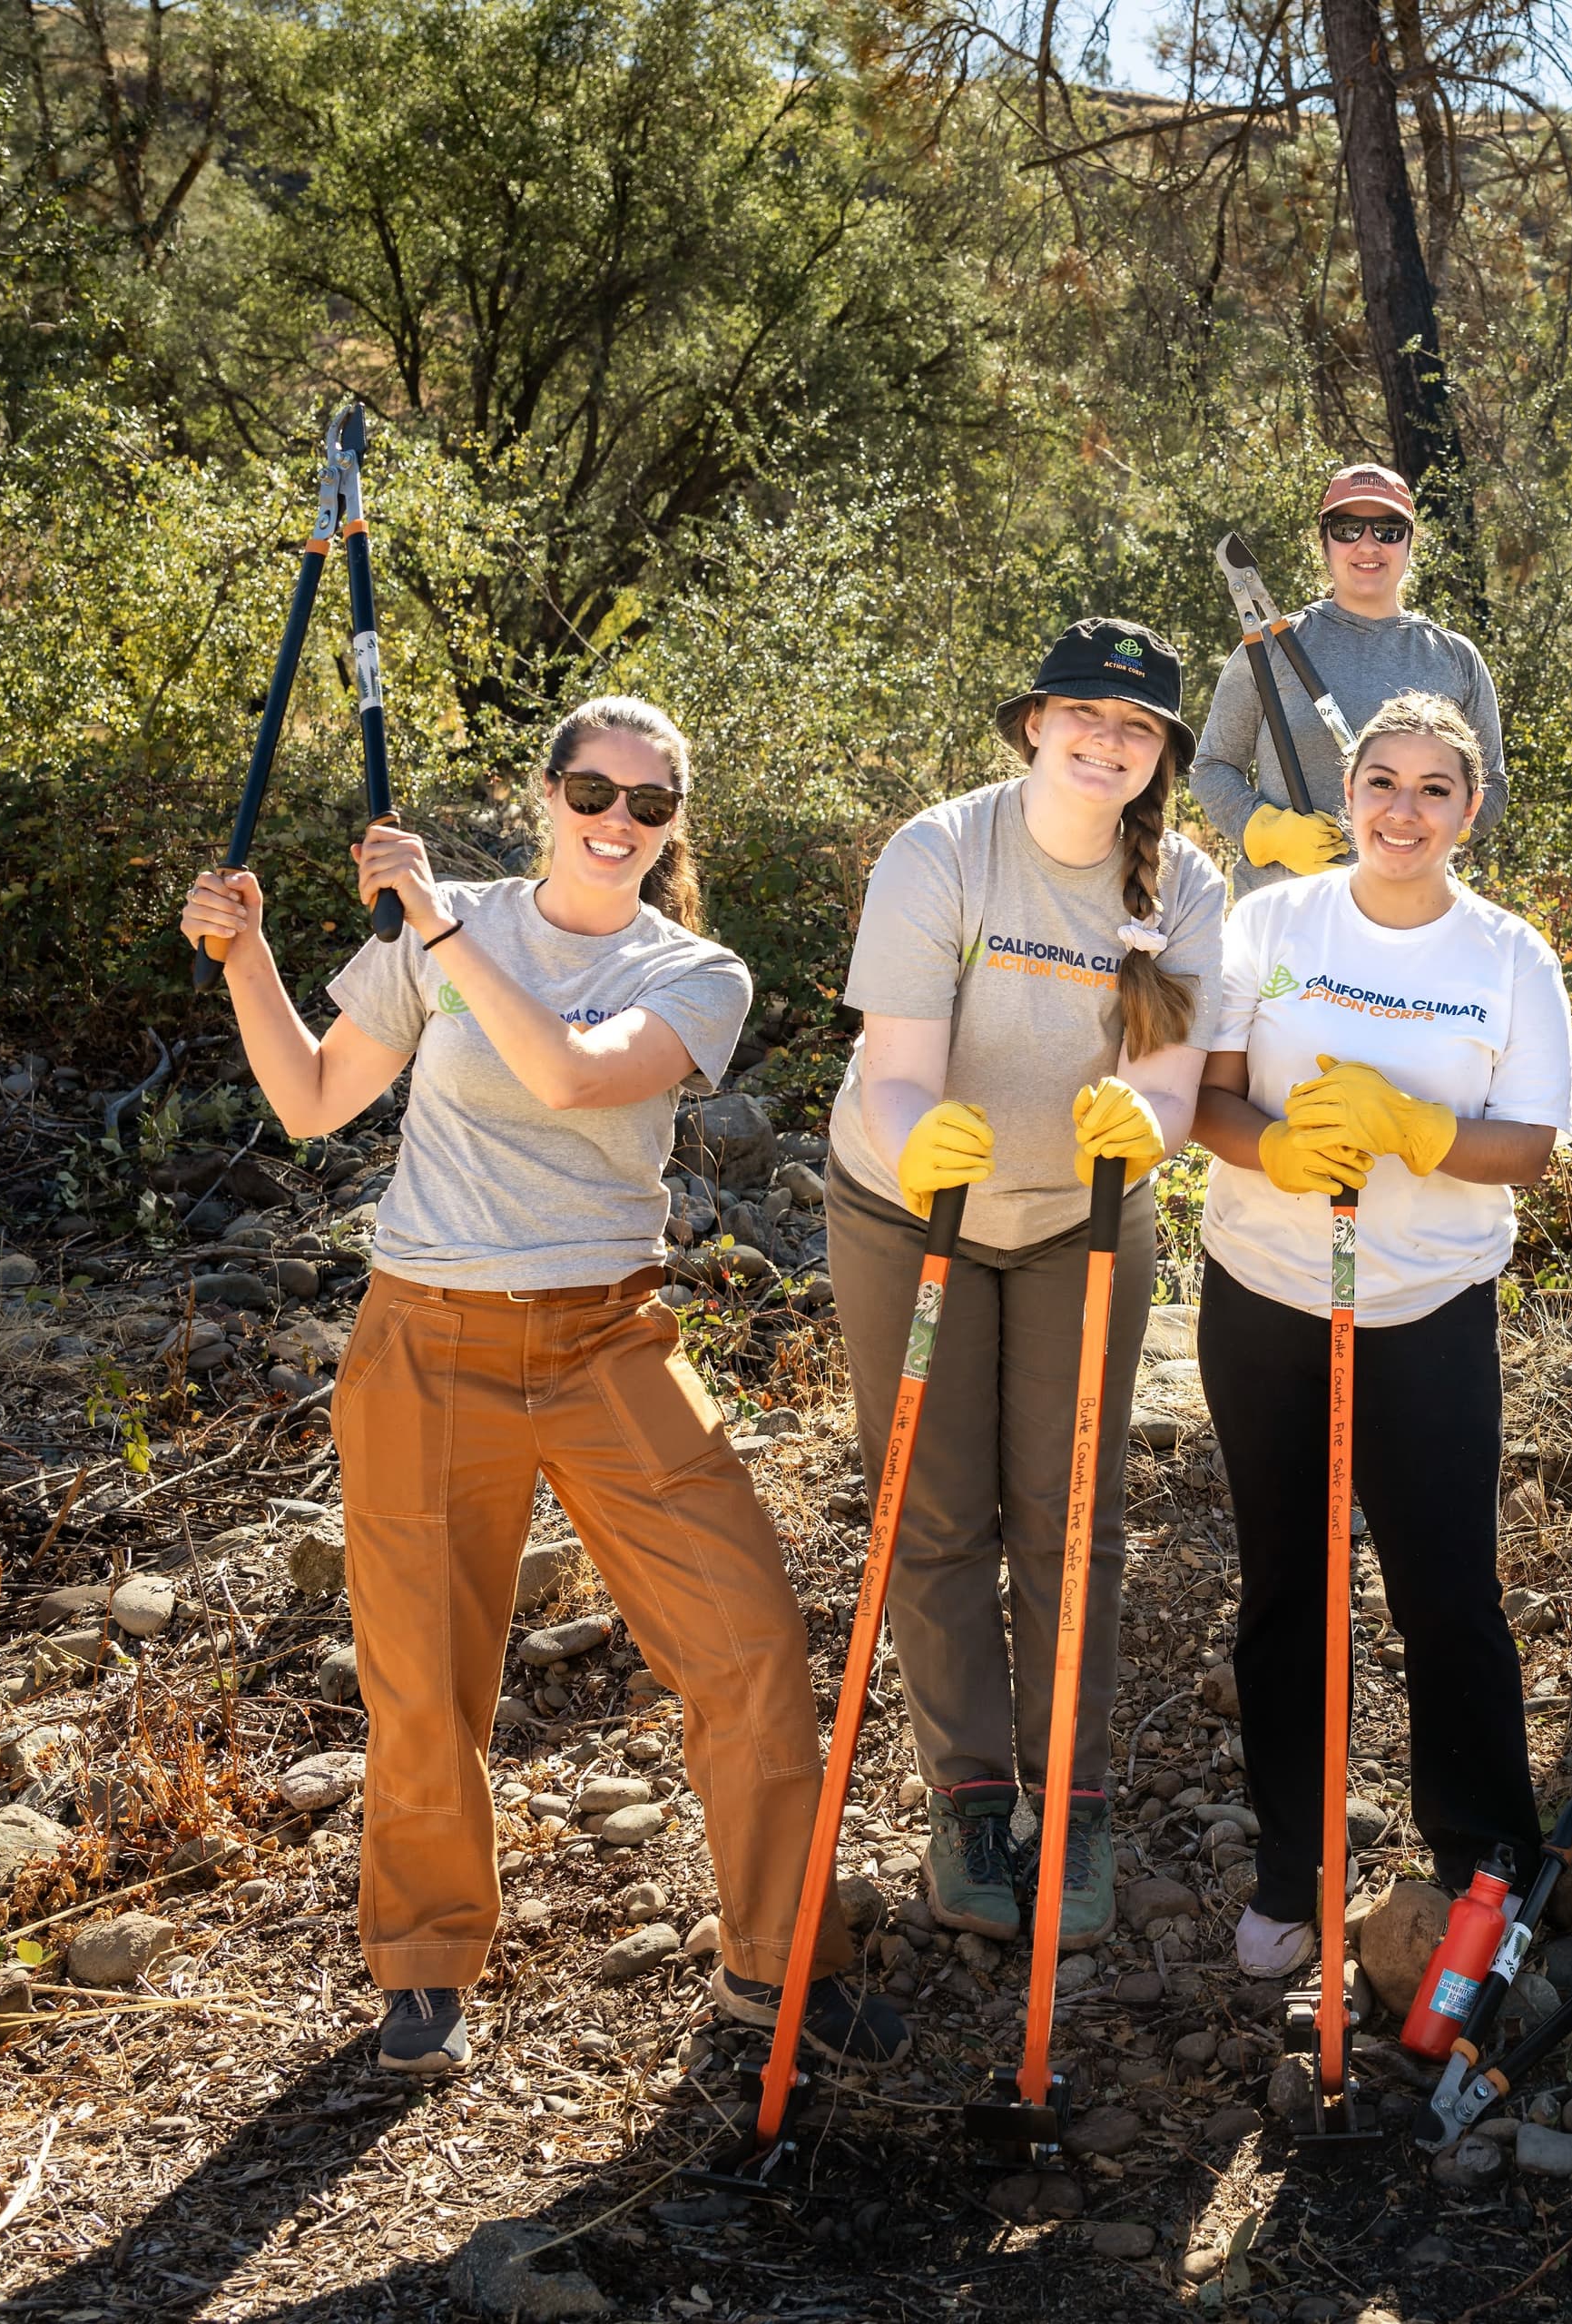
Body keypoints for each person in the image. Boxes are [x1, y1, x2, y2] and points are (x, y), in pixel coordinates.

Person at [176, 695, 908, 2076]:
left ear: (674, 822)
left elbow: (574, 1079)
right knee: (421, 1672)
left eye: (645, 803)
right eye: (591, 791)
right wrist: (249, 954)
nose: (614, 823)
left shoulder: (695, 969)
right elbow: (315, 1097)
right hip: (424, 1337)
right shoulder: (441, 923)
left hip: (605, 1338)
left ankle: (777, 1959)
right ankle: (425, 1967)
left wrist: (441, 930)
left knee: (749, 1642)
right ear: (546, 794)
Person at [821, 617, 1223, 1956]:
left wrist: (1151, 1127)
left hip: (1082, 1220)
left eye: (1138, 728)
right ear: (1034, 724)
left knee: (1071, 1515)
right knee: (933, 1512)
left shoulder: (1184, 890)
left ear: (1160, 752)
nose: (1107, 742)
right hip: (909, 1207)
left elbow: (1170, 1080)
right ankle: (971, 1795)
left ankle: (1074, 1789)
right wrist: (910, 1128)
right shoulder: (942, 850)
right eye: (1084, 716)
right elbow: (896, 1064)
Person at [1188, 692, 1571, 1977]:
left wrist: (1420, 1131)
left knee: (1447, 1588)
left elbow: (1528, 1146)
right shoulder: (1271, 921)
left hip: (1428, 1305)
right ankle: (1293, 1869)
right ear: (1348, 796)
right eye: (1383, 783)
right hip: (1266, 1290)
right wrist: (1283, 1150)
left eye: (1434, 789)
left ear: (1470, 809)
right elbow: (1210, 1098)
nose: (1404, 810)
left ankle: (1483, 1857)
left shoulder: (1506, 955)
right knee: (1286, 1587)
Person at [1189, 462, 1508, 896]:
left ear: (1410, 543)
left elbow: (1491, 782)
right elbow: (1212, 767)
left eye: (1388, 530)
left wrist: (1443, 827)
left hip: (1412, 909)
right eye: (1346, 528)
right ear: (1324, 543)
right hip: (1287, 907)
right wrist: (1265, 829)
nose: (1368, 544)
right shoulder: (1268, 649)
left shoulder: (1455, 658)